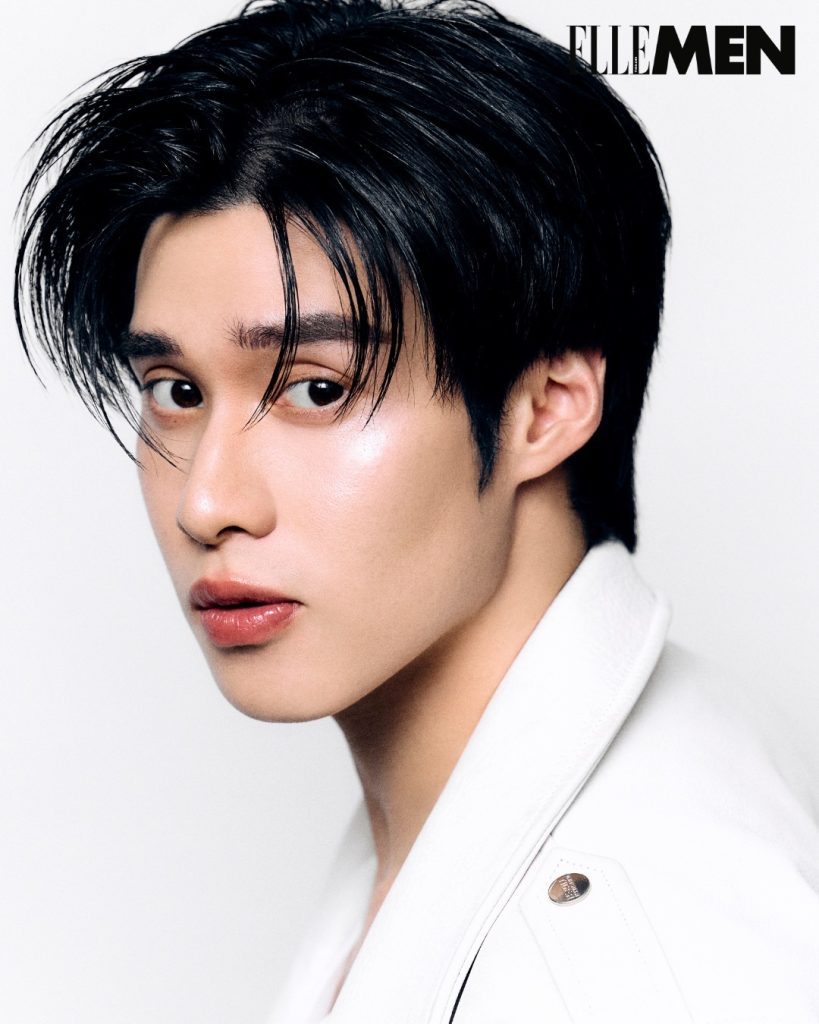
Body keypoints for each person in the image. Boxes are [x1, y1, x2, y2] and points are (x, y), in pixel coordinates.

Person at [14, 0, 819, 1020]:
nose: (207, 501)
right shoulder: (462, 811)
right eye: (176, 391)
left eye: (317, 389)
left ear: (546, 408)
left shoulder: (621, 963)